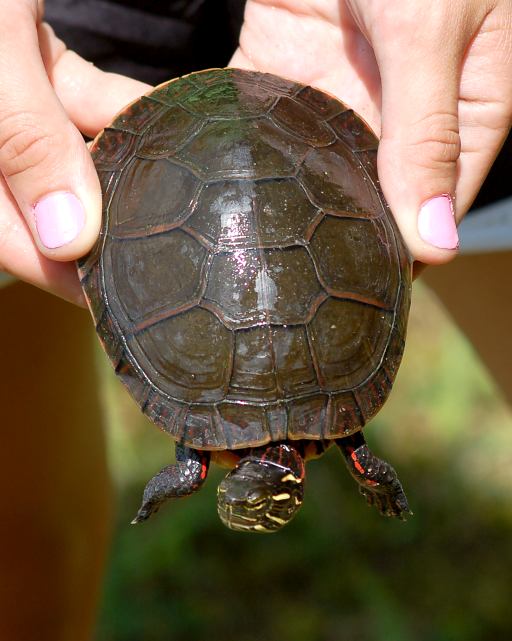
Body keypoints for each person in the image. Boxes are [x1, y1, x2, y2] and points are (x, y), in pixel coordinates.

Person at [0, 1, 510, 640]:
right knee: (20, 548)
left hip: (369, 42)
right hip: (84, 28)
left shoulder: (230, 450)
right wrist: (379, 484)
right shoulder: (330, 431)